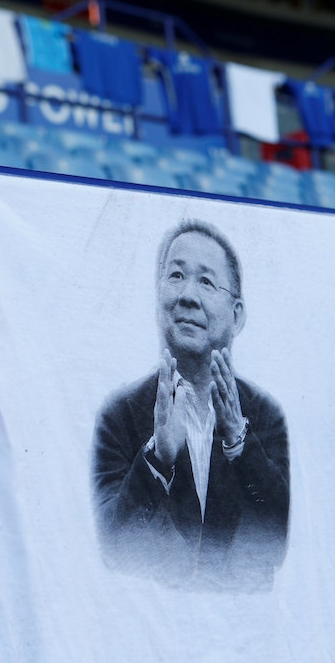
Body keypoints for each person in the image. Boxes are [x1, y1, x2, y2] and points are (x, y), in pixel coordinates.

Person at [92, 219, 289, 592]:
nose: (187, 296)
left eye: (206, 281)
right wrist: (157, 458)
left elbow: (283, 542)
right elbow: (108, 548)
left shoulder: (269, 417)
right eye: (176, 275)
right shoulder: (116, 416)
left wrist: (239, 444)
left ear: (237, 314)